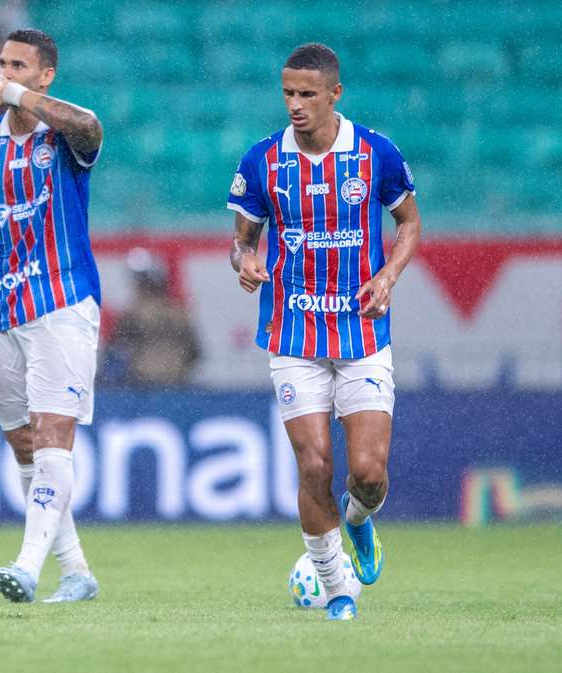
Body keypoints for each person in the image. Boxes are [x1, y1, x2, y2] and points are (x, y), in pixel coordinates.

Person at [227, 43, 422, 620]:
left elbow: (409, 223)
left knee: (368, 474)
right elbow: (242, 238)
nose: (295, 104)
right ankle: (338, 590)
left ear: (334, 94)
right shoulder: (262, 160)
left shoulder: (375, 153)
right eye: (288, 93)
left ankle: (358, 518)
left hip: (361, 330)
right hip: (293, 331)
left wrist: (388, 275)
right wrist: (244, 260)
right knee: (313, 464)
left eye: (307, 94)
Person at [0, 28, 104, 604]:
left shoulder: (66, 134)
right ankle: (76, 573)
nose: (4, 72)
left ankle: (27, 566)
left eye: (19, 66)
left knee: (54, 434)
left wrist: (16, 97)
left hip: (62, 300)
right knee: (25, 445)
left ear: (45, 76)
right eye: (1, 64)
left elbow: (91, 127)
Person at [102, 247, 201, 387]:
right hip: (176, 384)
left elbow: (113, 351)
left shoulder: (134, 314)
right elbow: (196, 354)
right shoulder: (179, 314)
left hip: (144, 386)